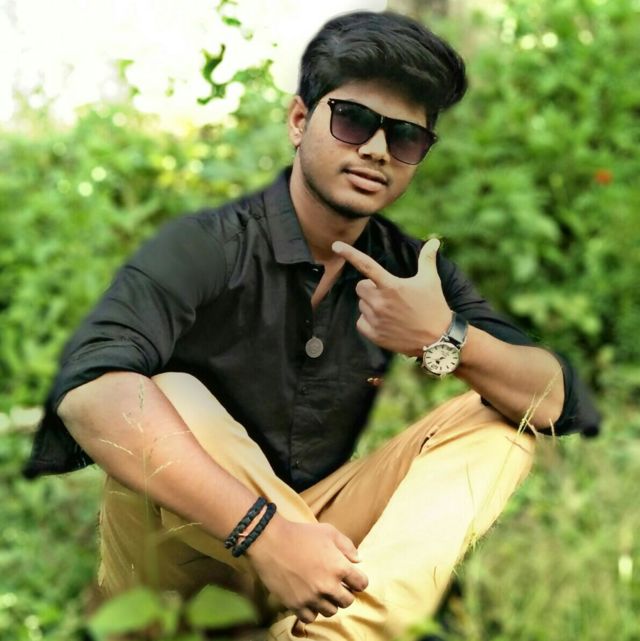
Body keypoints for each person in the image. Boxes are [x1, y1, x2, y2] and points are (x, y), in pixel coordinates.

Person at [24, 10, 599, 641]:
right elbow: (88, 393)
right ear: (300, 121)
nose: (376, 150)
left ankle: (338, 636)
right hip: (174, 576)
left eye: (405, 137)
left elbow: (553, 399)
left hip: (316, 562)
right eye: (353, 121)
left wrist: (445, 338)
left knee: (499, 419)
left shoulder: (408, 270)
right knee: (170, 391)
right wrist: (264, 533)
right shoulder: (207, 247)